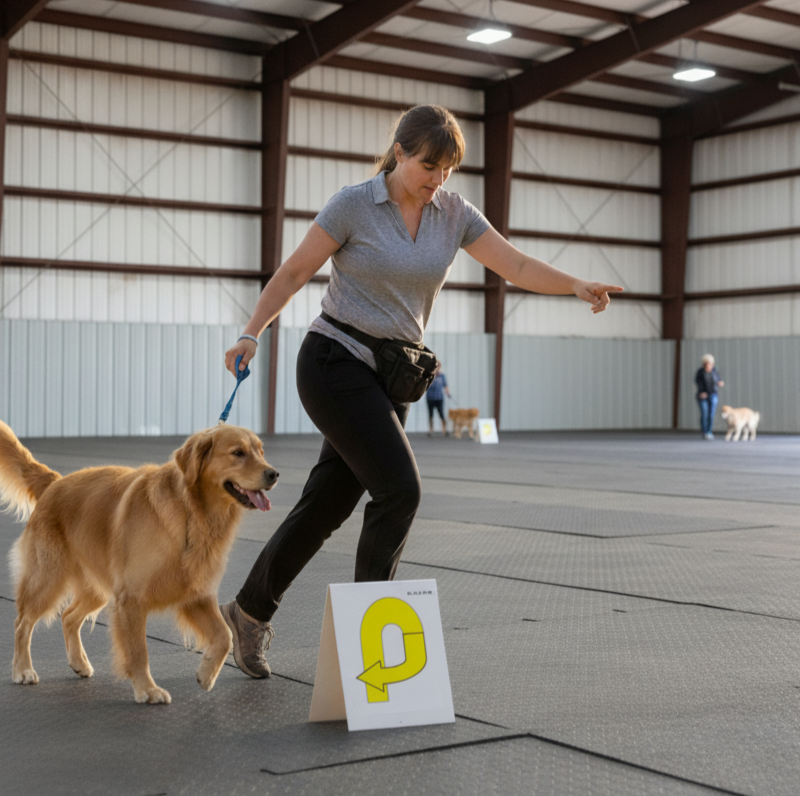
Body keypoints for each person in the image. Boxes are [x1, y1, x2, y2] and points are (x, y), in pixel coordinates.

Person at [218, 105, 624, 679]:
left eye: (449, 169)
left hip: (391, 376)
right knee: (400, 490)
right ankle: (371, 650)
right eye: (429, 165)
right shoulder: (354, 203)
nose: (438, 179)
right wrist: (250, 332)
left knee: (327, 505)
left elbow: (514, 263)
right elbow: (291, 274)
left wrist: (574, 284)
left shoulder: (453, 213)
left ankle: (248, 611)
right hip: (333, 361)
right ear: (401, 152)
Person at [695, 354, 724, 440]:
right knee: (704, 414)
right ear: (704, 364)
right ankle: (704, 432)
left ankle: (709, 431)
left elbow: (719, 380)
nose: (710, 366)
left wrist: (720, 383)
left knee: (711, 415)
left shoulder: (714, 371)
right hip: (703, 396)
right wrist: (701, 392)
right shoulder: (700, 372)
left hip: (713, 395)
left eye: (711, 364)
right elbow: (698, 383)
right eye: (708, 364)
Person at [425, 362, 449, 436]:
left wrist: (447, 392)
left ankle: (444, 430)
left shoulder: (442, 376)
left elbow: (445, 385)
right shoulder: (429, 375)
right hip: (430, 397)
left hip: (439, 397)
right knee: (430, 414)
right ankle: (431, 430)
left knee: (441, 414)